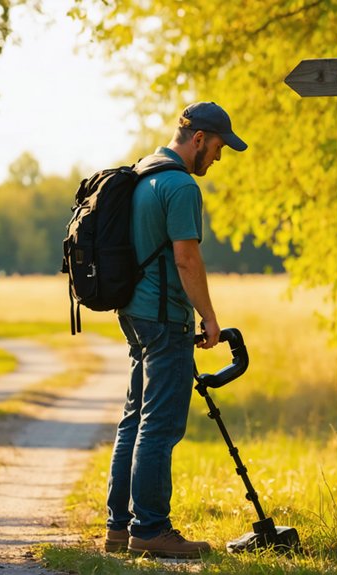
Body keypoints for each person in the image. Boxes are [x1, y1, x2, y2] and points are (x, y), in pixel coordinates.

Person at [104, 102, 247, 558]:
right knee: (160, 425)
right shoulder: (180, 186)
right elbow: (186, 259)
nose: (219, 158)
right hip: (165, 319)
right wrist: (209, 317)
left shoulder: (144, 175)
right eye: (220, 146)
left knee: (135, 419)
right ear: (200, 138)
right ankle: (150, 529)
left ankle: (119, 527)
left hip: (135, 314)